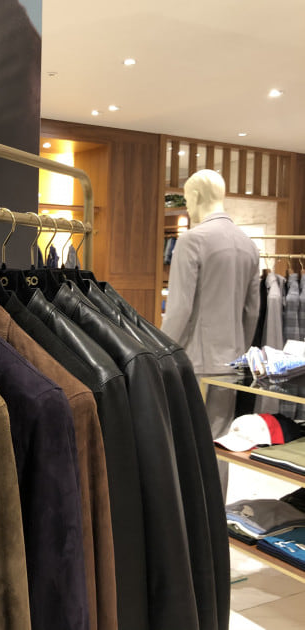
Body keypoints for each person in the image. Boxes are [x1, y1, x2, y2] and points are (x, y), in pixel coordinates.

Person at [161, 169, 260, 498]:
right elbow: (252, 312)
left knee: (186, 440)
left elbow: (179, 309)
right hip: (231, 362)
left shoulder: (193, 240)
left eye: (187, 198)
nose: (187, 206)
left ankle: (190, 516)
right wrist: (239, 352)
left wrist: (160, 353)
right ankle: (215, 511)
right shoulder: (248, 245)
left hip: (194, 360)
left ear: (197, 196)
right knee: (219, 440)